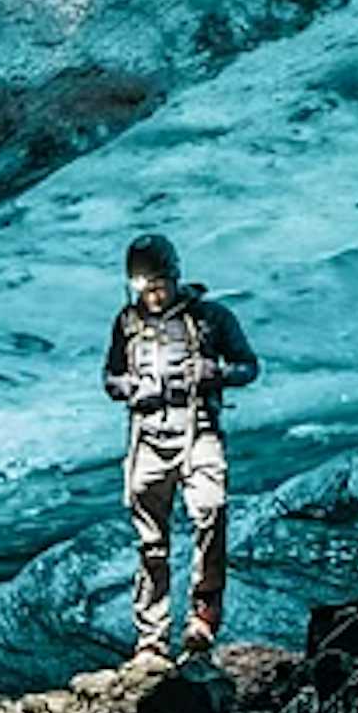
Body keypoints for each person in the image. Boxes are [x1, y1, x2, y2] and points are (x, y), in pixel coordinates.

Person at [100, 233, 261, 664]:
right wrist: (127, 387)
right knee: (151, 541)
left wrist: (217, 372)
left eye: (157, 285)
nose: (151, 295)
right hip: (147, 438)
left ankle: (202, 619)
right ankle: (151, 637)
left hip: (199, 431)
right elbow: (110, 375)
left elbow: (250, 366)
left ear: (173, 277)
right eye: (142, 287)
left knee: (210, 512)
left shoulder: (211, 318)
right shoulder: (126, 323)